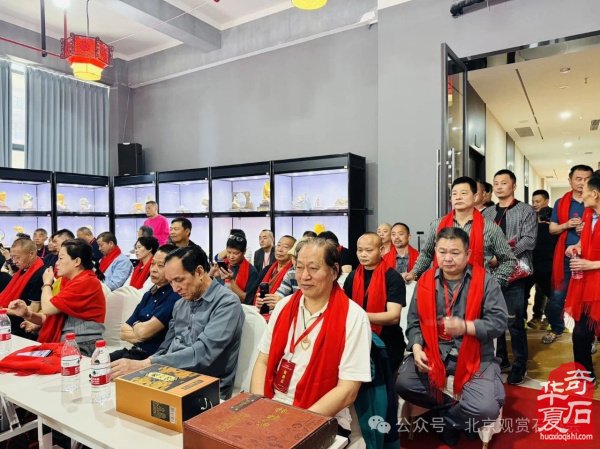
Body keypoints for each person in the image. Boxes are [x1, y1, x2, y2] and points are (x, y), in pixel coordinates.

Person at [396, 227, 507, 446]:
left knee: (486, 409)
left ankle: (449, 421)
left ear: (468, 253)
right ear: (435, 251)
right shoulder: (426, 281)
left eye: (455, 253)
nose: (447, 258)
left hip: (476, 356)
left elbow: (499, 323)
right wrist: (416, 347)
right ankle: (454, 411)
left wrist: (467, 327)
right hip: (434, 353)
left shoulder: (485, 281)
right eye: (442, 252)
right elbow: (414, 322)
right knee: (403, 384)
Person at [250, 237, 372, 435]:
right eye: (299, 268)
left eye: (314, 268)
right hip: (272, 404)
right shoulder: (283, 306)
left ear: (334, 271)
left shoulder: (353, 317)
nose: (304, 276)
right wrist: (259, 405)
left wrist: (297, 424)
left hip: (321, 416)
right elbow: (263, 361)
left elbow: (348, 390)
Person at [111, 246, 244, 399]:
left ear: (199, 272)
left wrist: (146, 364)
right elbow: (165, 348)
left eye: (179, 280)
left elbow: (204, 354)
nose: (175, 289)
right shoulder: (180, 304)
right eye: (171, 282)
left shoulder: (227, 303)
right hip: (170, 377)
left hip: (206, 387)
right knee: (116, 388)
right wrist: (144, 366)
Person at [407, 176, 516, 289]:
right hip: (442, 288)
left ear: (475, 197)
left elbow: (509, 260)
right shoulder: (437, 225)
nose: (458, 197)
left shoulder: (489, 227)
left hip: (478, 288)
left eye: (463, 193)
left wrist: (492, 284)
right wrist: (414, 273)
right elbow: (427, 254)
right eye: (454, 194)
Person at [483, 169, 537, 385]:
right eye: (496, 183)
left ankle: (520, 364)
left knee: (514, 321)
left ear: (514, 186)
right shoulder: (487, 213)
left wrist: (502, 255)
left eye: (503, 183)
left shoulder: (525, 210)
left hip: (515, 273)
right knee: (494, 318)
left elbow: (529, 240)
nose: (499, 186)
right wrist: (490, 258)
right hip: (490, 274)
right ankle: (501, 359)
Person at [7, 239, 106, 356]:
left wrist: (47, 283)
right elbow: (49, 317)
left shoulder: (87, 282)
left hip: (82, 344)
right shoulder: (67, 281)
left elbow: (48, 308)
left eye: (61, 258)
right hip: (66, 342)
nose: (56, 263)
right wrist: (27, 314)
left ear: (77, 261)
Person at [544, 164, 594, 344]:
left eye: (587, 179)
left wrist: (588, 229)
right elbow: (552, 229)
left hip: (590, 257)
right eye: (578, 179)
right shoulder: (561, 202)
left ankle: (590, 336)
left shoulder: (595, 201)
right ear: (570, 180)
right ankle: (557, 328)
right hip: (566, 258)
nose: (582, 183)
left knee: (589, 299)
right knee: (557, 297)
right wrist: (567, 225)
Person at [343, 233, 405, 372]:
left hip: (387, 341)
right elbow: (344, 307)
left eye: (368, 250)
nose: (363, 254)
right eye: (360, 250)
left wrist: (359, 316)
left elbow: (393, 316)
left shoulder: (393, 277)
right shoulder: (352, 276)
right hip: (356, 337)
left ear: (381, 250)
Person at [110, 244, 181, 361]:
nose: (153, 269)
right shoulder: (148, 294)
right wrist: (140, 333)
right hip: (134, 350)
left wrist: (138, 329)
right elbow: (122, 332)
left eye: (160, 265)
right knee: (99, 361)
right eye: (152, 264)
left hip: (152, 358)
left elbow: (145, 332)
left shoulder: (174, 295)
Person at [564, 173, 600, 385]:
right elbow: (586, 241)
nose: (581, 193)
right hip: (586, 286)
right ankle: (585, 374)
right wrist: (576, 246)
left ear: (594, 194)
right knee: (580, 333)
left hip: (595, 279)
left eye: (584, 190)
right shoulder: (588, 215)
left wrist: (591, 265)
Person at [0, 238, 45, 338]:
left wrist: (3, 310)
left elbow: (33, 310)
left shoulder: (40, 274)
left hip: (22, 327)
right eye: (12, 257)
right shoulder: (22, 271)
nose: (14, 261)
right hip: (8, 321)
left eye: (17, 257)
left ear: (31, 254)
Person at [526, 189, 556, 330]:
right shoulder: (529, 218)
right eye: (533, 201)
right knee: (527, 292)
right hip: (531, 263)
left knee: (550, 293)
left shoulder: (554, 217)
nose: (535, 204)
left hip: (548, 263)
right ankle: (535, 318)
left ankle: (551, 321)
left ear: (546, 201)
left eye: (538, 201)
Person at [211, 234, 259, 304]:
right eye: (229, 252)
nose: (231, 256)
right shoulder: (222, 265)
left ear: (244, 252)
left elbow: (246, 300)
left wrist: (231, 280)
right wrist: (211, 275)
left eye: (235, 253)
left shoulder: (252, 272)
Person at [255, 235, 296, 315]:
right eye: (279, 245)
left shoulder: (293, 273)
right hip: (265, 311)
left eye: (285, 247)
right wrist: (260, 301)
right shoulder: (267, 269)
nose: (280, 249)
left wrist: (281, 301)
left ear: (293, 252)